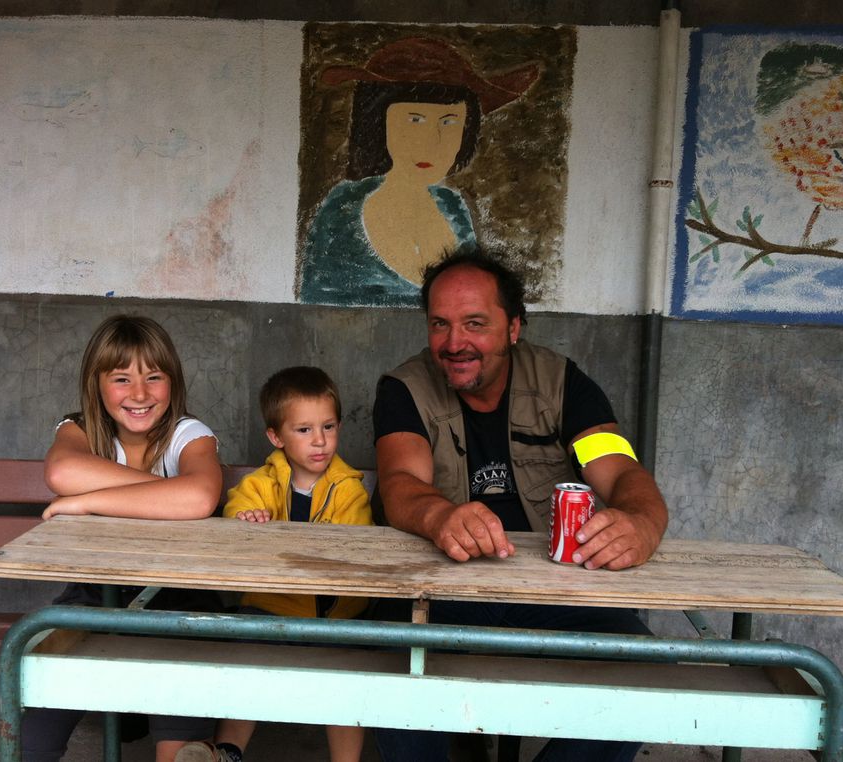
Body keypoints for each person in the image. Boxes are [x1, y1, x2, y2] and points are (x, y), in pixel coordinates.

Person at [371, 247, 669, 762]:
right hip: (442, 588)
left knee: (649, 670)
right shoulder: (404, 387)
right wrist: (441, 516)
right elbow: (400, 483)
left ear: (513, 328)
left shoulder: (562, 382)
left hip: (551, 591)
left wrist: (642, 523)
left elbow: (620, 471)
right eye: (440, 324)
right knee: (388, 666)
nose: (454, 343)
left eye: (475, 324)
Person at [22, 314, 224, 762]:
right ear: (96, 385)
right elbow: (61, 471)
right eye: (121, 379)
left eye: (154, 377)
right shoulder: (80, 429)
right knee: (31, 738)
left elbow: (200, 497)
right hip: (94, 597)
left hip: (180, 605)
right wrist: (159, 494)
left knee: (182, 749)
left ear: (173, 383)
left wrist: (88, 501)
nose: (139, 394)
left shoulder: (188, 435)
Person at [176, 366, 372, 762]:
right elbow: (237, 505)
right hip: (269, 608)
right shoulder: (263, 483)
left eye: (329, 427)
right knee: (245, 670)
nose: (320, 441)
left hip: (334, 620)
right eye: (304, 430)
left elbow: (356, 544)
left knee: (346, 685)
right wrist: (246, 518)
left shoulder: (349, 488)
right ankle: (226, 753)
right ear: (276, 436)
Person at [299, 37, 540, 307]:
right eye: (415, 120)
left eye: (449, 122)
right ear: (379, 123)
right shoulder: (343, 208)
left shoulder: (453, 206)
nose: (432, 142)